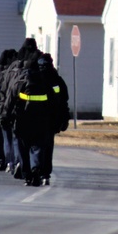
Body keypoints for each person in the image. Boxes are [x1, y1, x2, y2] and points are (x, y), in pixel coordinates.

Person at [15, 57, 52, 186]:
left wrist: (8, 117)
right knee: (37, 147)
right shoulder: (44, 82)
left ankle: (27, 175)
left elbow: (11, 101)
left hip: (23, 121)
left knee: (23, 148)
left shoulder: (20, 82)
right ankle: (36, 168)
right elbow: (52, 103)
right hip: (41, 121)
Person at [39, 53, 70, 186]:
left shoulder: (35, 78)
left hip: (36, 119)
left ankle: (37, 169)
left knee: (36, 146)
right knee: (47, 146)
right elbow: (64, 102)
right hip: (51, 119)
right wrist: (63, 120)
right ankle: (45, 173)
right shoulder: (57, 80)